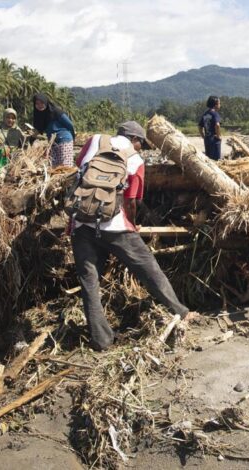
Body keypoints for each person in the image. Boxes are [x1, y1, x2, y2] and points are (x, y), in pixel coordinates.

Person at [72, 121, 197, 350]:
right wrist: (133, 223)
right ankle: (180, 311)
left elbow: (81, 167)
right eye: (142, 144)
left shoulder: (95, 140)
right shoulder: (135, 159)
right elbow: (131, 201)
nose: (141, 149)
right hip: (115, 225)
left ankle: (101, 340)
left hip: (81, 221)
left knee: (89, 282)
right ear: (135, 139)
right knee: (149, 269)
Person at [33, 93, 76, 168]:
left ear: (46, 102)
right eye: (37, 104)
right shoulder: (39, 115)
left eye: (42, 103)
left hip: (64, 140)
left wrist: (73, 138)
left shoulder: (56, 111)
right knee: (54, 167)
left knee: (65, 167)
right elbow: (39, 130)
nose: (39, 105)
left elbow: (70, 125)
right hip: (52, 143)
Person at [198, 95, 222, 160]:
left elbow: (200, 126)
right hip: (214, 139)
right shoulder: (215, 114)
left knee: (209, 159)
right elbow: (217, 125)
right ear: (215, 105)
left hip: (207, 139)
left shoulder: (205, 114)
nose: (220, 105)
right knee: (217, 159)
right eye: (219, 103)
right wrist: (218, 136)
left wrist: (203, 136)